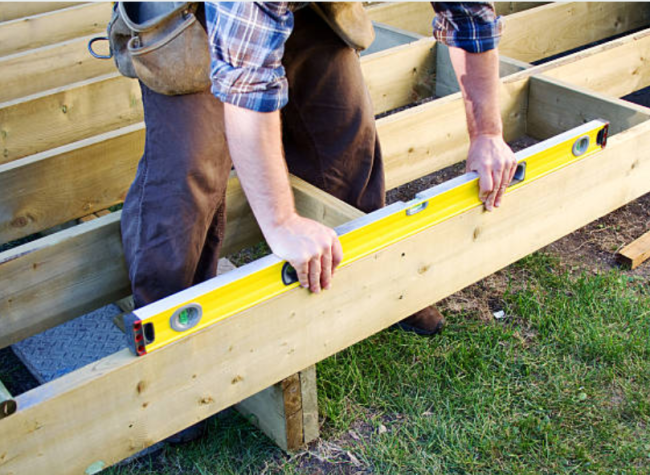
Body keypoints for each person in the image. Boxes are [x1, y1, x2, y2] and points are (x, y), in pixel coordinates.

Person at [121, 2, 517, 341]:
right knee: (193, 167)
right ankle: (171, 338)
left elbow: (470, 17)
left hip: (297, 9)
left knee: (342, 134)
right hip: (184, 15)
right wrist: (281, 222)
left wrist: (487, 133)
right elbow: (248, 81)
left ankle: (366, 284)